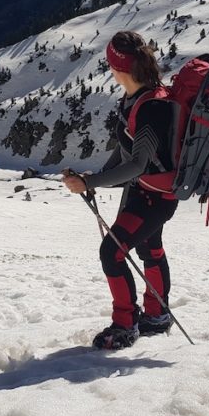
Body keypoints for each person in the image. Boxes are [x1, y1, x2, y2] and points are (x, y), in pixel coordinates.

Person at [62, 30, 179, 350]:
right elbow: (127, 149)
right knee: (149, 248)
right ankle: (156, 315)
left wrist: (91, 182)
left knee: (112, 253)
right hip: (146, 192)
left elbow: (138, 163)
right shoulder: (134, 99)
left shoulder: (152, 106)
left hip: (154, 197)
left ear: (119, 67)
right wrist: (97, 176)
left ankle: (125, 325)